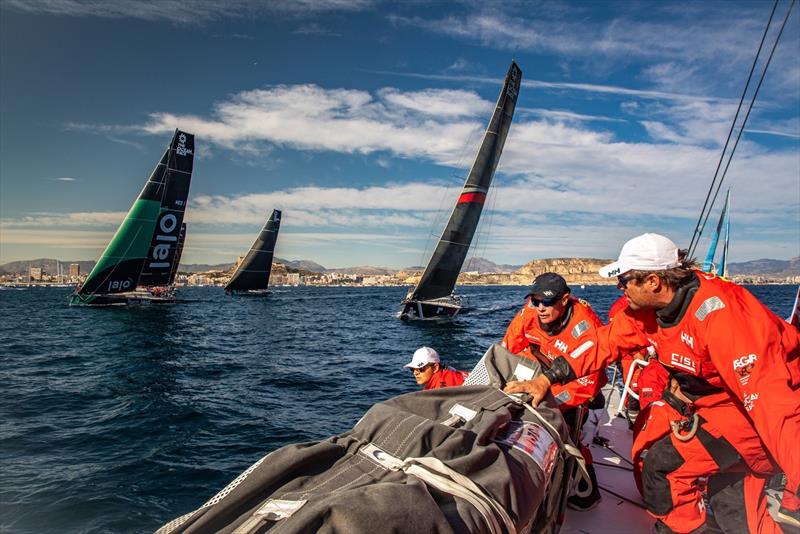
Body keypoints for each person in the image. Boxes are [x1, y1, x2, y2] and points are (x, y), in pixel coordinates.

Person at [505, 233, 800, 533]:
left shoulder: (723, 319)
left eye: (624, 282)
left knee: (664, 468)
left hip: (755, 412)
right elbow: (603, 343)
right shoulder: (646, 313)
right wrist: (547, 378)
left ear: (653, 282)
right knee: (734, 509)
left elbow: (775, 405)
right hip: (715, 402)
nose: (620, 289)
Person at [501, 272, 605, 512]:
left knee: (567, 434)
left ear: (565, 299)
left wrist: (552, 402)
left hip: (575, 382)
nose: (540, 308)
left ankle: (587, 492)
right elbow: (509, 347)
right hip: (539, 375)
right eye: (535, 301)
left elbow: (589, 380)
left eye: (547, 302)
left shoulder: (585, 327)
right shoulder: (529, 313)